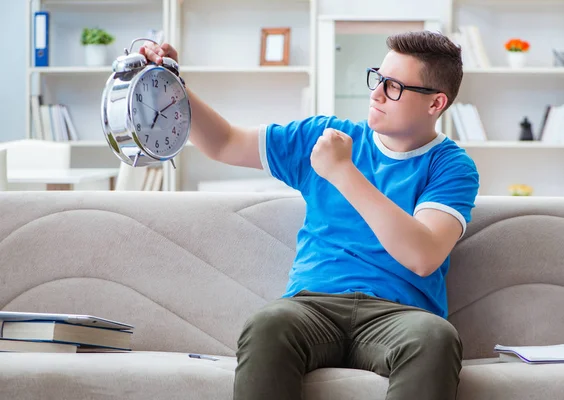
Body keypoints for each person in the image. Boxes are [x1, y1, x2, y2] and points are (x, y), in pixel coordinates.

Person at [141, 30, 479, 400]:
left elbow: (423, 256)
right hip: (313, 306)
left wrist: (342, 172)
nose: (377, 93)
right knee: (268, 324)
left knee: (436, 338)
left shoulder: (451, 166)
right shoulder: (323, 136)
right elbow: (223, 143)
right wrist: (173, 85)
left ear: (436, 104)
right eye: (378, 78)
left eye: (395, 87)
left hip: (400, 317)